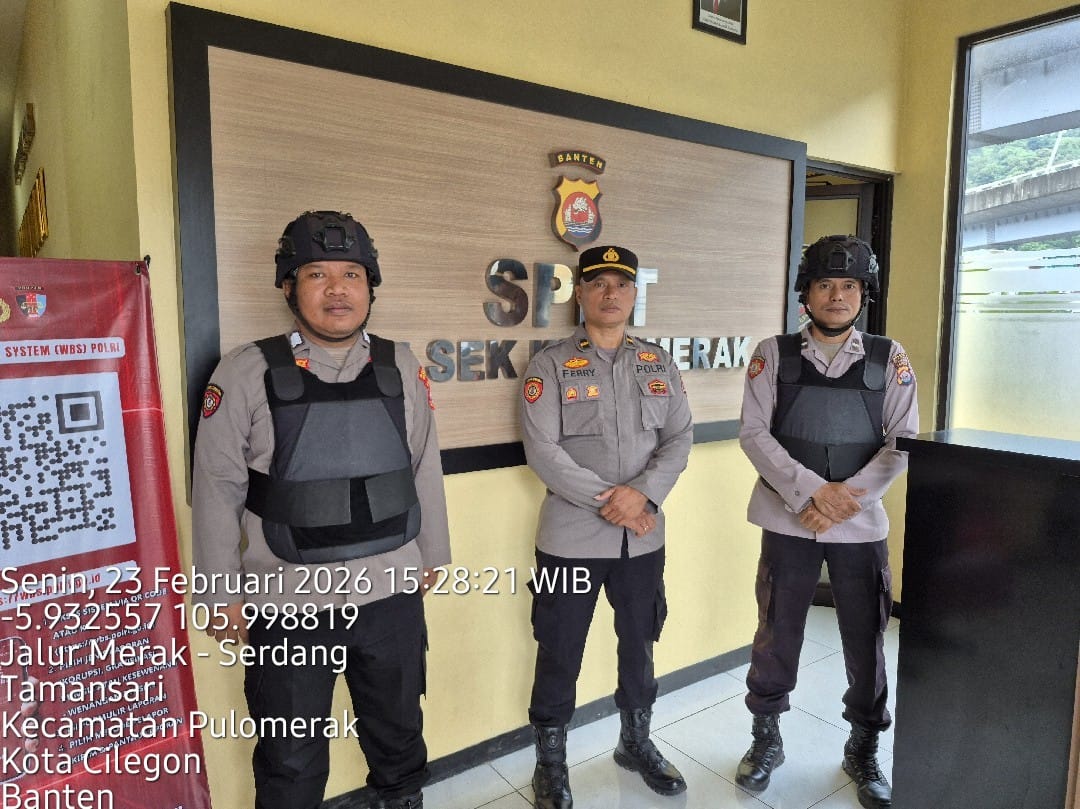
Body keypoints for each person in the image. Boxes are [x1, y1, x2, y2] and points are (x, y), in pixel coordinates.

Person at [191, 210, 451, 809]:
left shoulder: (401, 365)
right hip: (288, 602)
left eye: (352, 275)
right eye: (317, 274)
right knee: (290, 758)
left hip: (390, 590)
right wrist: (218, 592)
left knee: (398, 735)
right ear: (289, 286)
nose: (338, 290)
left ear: (370, 286)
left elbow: (423, 463)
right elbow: (217, 486)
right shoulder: (245, 371)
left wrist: (433, 554)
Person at [735, 235, 918, 809]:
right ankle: (766, 739)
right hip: (788, 519)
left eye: (849, 286)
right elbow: (753, 434)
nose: (837, 296)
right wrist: (813, 493)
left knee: (866, 638)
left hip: (859, 526)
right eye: (825, 284)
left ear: (864, 294)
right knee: (776, 631)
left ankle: (863, 746)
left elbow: (903, 441)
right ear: (806, 294)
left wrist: (846, 500)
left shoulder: (889, 357)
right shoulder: (773, 354)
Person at [519, 244, 694, 808]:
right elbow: (543, 451)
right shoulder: (549, 365)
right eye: (598, 283)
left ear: (635, 293)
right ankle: (551, 763)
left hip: (642, 540)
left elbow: (679, 438)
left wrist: (641, 496)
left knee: (640, 644)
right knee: (559, 648)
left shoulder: (658, 362)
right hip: (569, 542)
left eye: (621, 283)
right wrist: (615, 502)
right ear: (580, 294)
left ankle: (634, 743)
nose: (610, 293)